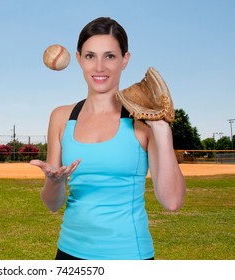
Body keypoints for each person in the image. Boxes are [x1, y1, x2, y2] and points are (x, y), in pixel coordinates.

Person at [30, 17, 186, 260]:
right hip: (70, 254)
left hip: (130, 256)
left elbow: (173, 201)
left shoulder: (142, 121)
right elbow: (52, 204)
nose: (99, 67)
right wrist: (55, 181)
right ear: (79, 58)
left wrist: (162, 127)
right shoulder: (61, 117)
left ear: (125, 60)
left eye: (110, 56)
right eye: (91, 56)